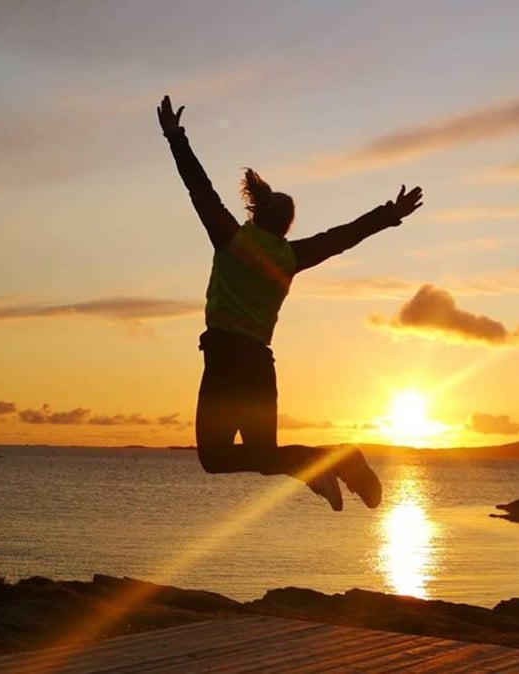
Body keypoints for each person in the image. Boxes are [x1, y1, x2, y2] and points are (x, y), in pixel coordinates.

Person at [158, 95, 423, 511]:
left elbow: (200, 188)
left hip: (226, 363)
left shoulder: (231, 238)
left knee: (216, 459)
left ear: (256, 214)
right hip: (259, 366)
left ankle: (324, 464)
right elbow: (342, 237)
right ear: (284, 227)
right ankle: (335, 460)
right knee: (265, 455)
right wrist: (389, 214)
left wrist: (175, 138)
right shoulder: (290, 257)